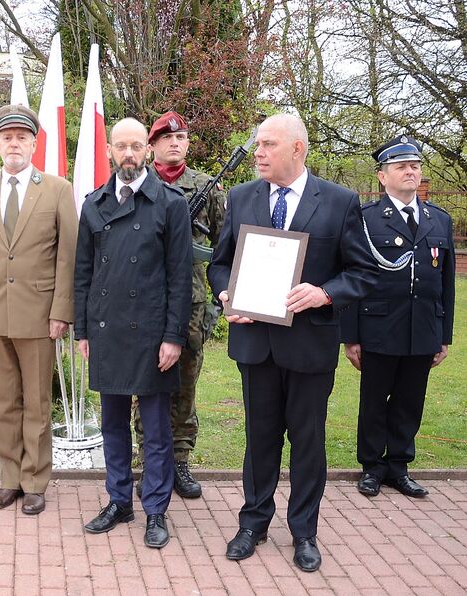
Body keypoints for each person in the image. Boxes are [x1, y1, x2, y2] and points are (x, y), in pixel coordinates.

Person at [207, 113, 377, 571]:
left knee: (308, 442)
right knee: (259, 439)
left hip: (309, 347)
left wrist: (324, 293)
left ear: (297, 149)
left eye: (267, 144)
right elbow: (219, 264)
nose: (257, 152)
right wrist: (227, 292)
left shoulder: (340, 201)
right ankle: (253, 522)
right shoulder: (241, 198)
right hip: (255, 345)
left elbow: (362, 273)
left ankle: (304, 532)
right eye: (257, 144)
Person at [0, 104, 77, 515]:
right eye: (7, 137)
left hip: (40, 312)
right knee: (3, 400)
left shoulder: (58, 190)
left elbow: (68, 257)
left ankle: (35, 478)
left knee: (38, 401)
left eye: (21, 137)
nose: (14, 144)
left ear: (33, 143)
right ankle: (9, 478)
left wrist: (62, 309)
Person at [76, 118, 192, 549]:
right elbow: (82, 273)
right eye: (121, 146)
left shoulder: (169, 203)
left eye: (137, 146)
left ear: (147, 149)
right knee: (113, 426)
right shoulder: (94, 203)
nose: (129, 154)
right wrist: (83, 331)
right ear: (110, 149)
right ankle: (119, 500)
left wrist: (174, 337)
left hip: (151, 334)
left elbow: (180, 278)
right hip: (107, 333)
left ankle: (156, 510)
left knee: (157, 431)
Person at [341, 135, 455, 499]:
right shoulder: (365, 218)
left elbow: (447, 283)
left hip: (422, 326)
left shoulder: (439, 219)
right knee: (374, 400)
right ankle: (372, 467)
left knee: (410, 400)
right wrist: (351, 336)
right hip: (378, 326)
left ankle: (399, 467)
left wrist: (445, 334)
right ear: (382, 176)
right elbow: (352, 277)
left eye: (415, 166)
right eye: (401, 166)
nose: (411, 172)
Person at [133, 110, 226, 499]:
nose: (176, 143)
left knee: (185, 386)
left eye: (182, 137)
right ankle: (148, 463)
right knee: (145, 385)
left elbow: (224, 252)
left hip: (191, 307)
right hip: (145, 304)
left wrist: (215, 309)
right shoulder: (136, 185)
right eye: (167, 138)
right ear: (152, 145)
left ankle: (180, 462)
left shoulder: (207, 188)